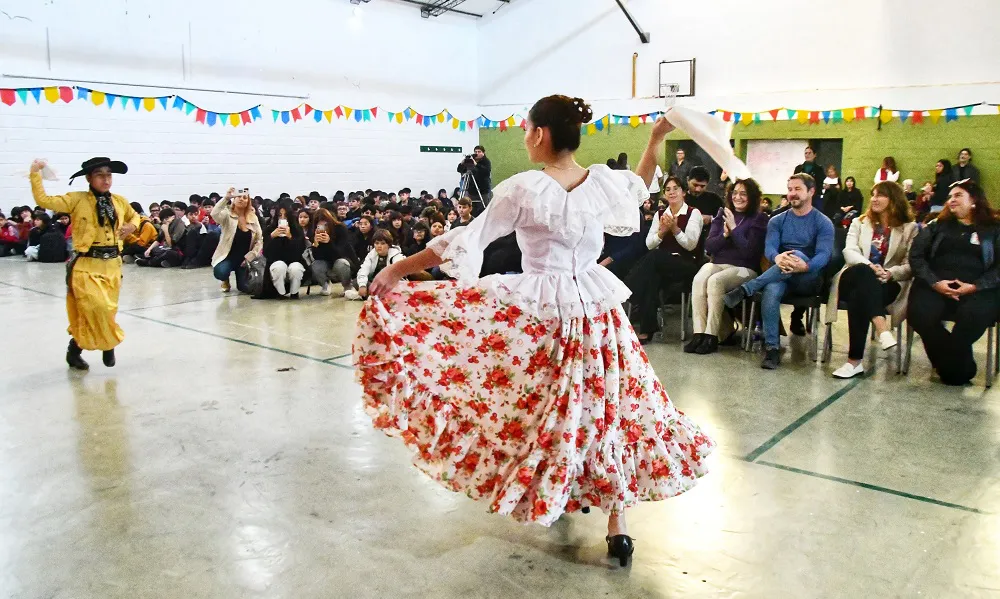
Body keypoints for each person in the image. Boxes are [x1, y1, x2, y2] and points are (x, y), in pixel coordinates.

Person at [353, 96, 714, 566]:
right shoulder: (600, 182)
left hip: (546, 314)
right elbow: (639, 186)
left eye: (526, 129)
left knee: (546, 412)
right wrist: (655, 137)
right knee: (607, 409)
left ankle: (564, 491)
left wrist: (397, 268)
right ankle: (616, 521)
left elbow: (465, 239)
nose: (525, 137)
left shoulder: (524, 189)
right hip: (595, 310)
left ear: (540, 133)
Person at [29, 157, 140, 370]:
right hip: (86, 264)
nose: (106, 180)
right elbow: (43, 200)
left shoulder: (119, 201)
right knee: (96, 307)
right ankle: (108, 343)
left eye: (109, 175)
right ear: (89, 178)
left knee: (106, 311)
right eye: (100, 175)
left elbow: (135, 216)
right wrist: (35, 173)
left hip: (112, 265)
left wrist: (132, 226)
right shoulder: (76, 199)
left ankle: (74, 350)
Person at [724, 174, 835, 370]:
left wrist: (805, 266)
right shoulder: (777, 220)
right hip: (781, 274)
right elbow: (770, 248)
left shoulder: (823, 222)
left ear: (811, 191)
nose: (792, 194)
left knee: (797, 254)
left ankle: (748, 288)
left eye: (797, 189)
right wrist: (777, 258)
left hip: (809, 278)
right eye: (790, 189)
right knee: (772, 289)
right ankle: (772, 348)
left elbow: (824, 255)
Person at [908, 180, 999, 385]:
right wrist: (935, 282)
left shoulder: (994, 229)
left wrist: (975, 286)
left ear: (974, 200)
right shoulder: (936, 225)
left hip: (978, 288)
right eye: (950, 197)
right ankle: (960, 366)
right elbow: (916, 257)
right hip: (936, 284)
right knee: (919, 314)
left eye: (958, 195)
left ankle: (950, 366)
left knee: (973, 315)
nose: (951, 200)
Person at [826, 182, 917, 378]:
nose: (874, 199)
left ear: (894, 199)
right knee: (863, 273)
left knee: (859, 296)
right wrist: (870, 266)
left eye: (880, 195)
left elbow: (910, 264)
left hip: (888, 281)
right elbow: (849, 251)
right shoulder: (859, 222)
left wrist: (890, 273)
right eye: (873, 194)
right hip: (853, 274)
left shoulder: (909, 228)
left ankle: (854, 362)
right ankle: (881, 327)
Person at [687, 178, 768, 354]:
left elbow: (749, 252)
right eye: (735, 193)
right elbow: (710, 247)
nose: (738, 197)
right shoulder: (722, 213)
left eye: (743, 194)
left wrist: (734, 229)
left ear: (752, 197)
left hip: (745, 269)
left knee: (715, 281)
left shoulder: (759, 219)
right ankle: (698, 334)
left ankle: (711, 336)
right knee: (700, 277)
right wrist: (724, 235)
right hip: (719, 263)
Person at [625, 176, 704, 343]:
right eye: (668, 189)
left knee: (654, 257)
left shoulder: (693, 213)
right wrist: (661, 233)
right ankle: (647, 330)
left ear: (683, 192)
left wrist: (675, 229)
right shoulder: (660, 214)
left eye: (676, 188)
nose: (672, 192)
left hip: (685, 263)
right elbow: (649, 244)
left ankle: (629, 288)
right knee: (650, 276)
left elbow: (691, 245)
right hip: (661, 265)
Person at [211, 188, 263, 294]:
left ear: (248, 202)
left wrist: (250, 256)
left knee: (245, 288)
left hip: (244, 260)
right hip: (227, 257)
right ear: (234, 199)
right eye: (238, 197)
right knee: (221, 272)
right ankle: (225, 280)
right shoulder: (227, 214)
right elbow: (214, 214)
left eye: (245, 197)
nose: (241, 199)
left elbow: (259, 240)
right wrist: (226, 198)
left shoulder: (253, 218)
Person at [260, 201, 307, 299]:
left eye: (285, 216)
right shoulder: (269, 230)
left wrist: (290, 237)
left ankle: (294, 292)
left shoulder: (297, 230)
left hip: (295, 261)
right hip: (275, 262)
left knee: (295, 268)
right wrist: (272, 237)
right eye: (280, 215)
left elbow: (300, 250)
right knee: (279, 266)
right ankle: (280, 293)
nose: (282, 218)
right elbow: (266, 253)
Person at [310, 208, 358, 297]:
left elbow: (340, 253)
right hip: (325, 261)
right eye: (319, 225)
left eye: (325, 224)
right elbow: (316, 257)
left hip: (342, 260)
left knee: (341, 263)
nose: (323, 227)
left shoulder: (340, 228)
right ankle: (325, 284)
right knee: (316, 264)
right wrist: (315, 244)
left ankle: (347, 285)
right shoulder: (314, 231)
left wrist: (329, 242)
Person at [347, 228, 403, 301]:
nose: (379, 246)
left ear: (389, 245)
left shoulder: (396, 255)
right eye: (377, 243)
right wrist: (362, 285)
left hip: (389, 283)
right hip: (373, 282)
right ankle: (372, 296)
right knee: (356, 281)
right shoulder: (371, 254)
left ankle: (365, 296)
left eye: (383, 243)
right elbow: (363, 270)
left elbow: (397, 274)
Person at [457, 145, 492, 212]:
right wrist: (463, 163)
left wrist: (476, 164)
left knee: (483, 209)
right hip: (472, 190)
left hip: (483, 190)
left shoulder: (486, 161)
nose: (477, 153)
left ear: (483, 152)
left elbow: (486, 172)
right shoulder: (471, 161)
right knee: (472, 210)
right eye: (475, 152)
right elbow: (460, 170)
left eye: (479, 152)